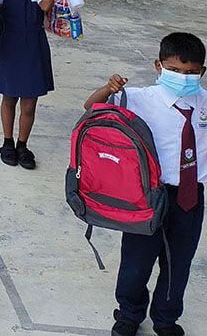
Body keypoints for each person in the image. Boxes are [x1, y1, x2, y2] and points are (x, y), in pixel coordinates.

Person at [83, 33, 207, 336]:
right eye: (175, 70)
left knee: (178, 265)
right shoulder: (139, 98)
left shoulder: (204, 102)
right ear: (158, 66)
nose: (183, 77)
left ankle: (166, 319)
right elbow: (90, 109)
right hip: (148, 195)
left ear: (202, 71)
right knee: (136, 263)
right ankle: (129, 312)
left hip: (190, 197)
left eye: (191, 72)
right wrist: (106, 89)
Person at [0, 0, 61, 170]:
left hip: (34, 46)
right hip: (10, 45)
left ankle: (22, 144)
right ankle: (7, 141)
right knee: (9, 97)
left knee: (30, 102)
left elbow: (45, 6)